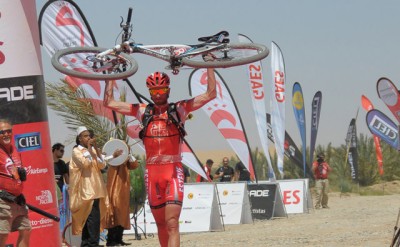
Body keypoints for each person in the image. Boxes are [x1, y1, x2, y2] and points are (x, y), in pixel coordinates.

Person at [103, 65, 216, 247]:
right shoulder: (142, 111)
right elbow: (109, 102)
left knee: (172, 223)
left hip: (173, 172)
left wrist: (209, 66)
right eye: (153, 91)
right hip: (152, 173)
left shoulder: (179, 109)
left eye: (162, 90)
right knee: (161, 225)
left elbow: (210, 94)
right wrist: (110, 74)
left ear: (168, 90)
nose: (157, 94)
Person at [68, 126, 109, 246]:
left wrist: (95, 148)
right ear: (80, 138)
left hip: (97, 190)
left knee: (93, 220)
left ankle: (88, 244)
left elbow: (102, 165)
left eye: (89, 136)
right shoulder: (76, 151)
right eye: (85, 136)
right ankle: (91, 244)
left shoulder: (93, 150)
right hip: (86, 191)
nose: (88, 138)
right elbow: (85, 164)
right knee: (90, 220)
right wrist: (90, 150)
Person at [0, 119, 31, 246]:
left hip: (17, 200)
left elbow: (15, 173)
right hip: (3, 200)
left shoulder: (15, 150)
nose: (6, 134)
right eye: (2, 132)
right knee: (2, 234)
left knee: (26, 229)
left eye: (9, 131)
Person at [105, 150, 139, 247]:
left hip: (124, 189)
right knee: (114, 213)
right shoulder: (112, 158)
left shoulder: (126, 160)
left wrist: (130, 155)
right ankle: (111, 241)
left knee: (123, 214)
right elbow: (104, 162)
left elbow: (134, 165)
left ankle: (119, 239)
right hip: (113, 188)